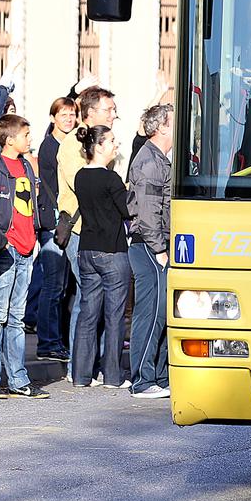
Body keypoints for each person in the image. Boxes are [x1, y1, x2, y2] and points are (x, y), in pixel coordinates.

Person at [0, 114, 49, 399]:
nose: (30, 140)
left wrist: (34, 237)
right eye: (26, 135)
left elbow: (30, 205)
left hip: (26, 247)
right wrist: (0, 239)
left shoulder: (26, 165)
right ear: (10, 139)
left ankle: (19, 379)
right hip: (5, 248)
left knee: (17, 317)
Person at [59, 86, 119, 375]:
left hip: (103, 229)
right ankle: (78, 367)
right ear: (91, 112)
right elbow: (80, 183)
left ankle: (95, 366)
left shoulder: (105, 140)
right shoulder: (73, 144)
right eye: (109, 109)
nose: (114, 114)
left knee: (99, 302)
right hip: (81, 229)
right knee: (87, 302)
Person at [72, 123, 132, 389]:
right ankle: (112, 375)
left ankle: (81, 375)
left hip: (87, 248)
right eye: (111, 141)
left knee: (87, 313)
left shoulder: (80, 176)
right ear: (98, 147)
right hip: (112, 249)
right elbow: (127, 210)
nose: (115, 145)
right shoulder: (110, 179)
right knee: (114, 315)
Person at [126, 103, 173, 399]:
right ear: (163, 127)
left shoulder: (161, 159)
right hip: (149, 246)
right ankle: (142, 380)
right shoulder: (150, 162)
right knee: (151, 313)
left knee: (164, 312)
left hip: (159, 245)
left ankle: (160, 375)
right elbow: (147, 211)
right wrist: (159, 249)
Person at [27, 96, 78, 361]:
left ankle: (56, 339)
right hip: (53, 222)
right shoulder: (52, 147)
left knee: (61, 285)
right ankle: (48, 343)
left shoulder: (67, 143)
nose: (69, 119)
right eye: (63, 115)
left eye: (72, 114)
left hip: (61, 221)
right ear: (52, 119)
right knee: (53, 284)